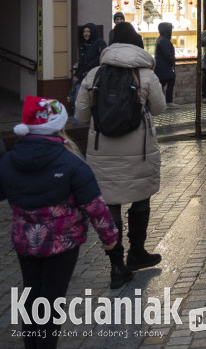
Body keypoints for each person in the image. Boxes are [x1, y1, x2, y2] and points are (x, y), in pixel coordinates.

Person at [0, 97, 119, 348]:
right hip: (61, 246)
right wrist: (110, 238)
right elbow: (95, 206)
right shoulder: (71, 163)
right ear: (59, 126)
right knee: (51, 300)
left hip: (25, 243)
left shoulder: (9, 161)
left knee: (31, 295)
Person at [75, 21, 166, 289]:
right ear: (136, 43)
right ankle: (137, 253)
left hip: (102, 151)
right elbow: (159, 109)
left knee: (110, 205)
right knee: (140, 199)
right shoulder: (146, 75)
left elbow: (80, 116)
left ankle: (116, 265)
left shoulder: (94, 75)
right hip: (139, 152)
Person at [70, 23, 106, 118]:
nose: (86, 34)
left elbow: (102, 57)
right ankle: (77, 121)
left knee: (92, 101)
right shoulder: (83, 45)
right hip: (82, 77)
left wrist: (90, 65)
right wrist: (76, 75)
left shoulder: (99, 42)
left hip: (95, 76)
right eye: (84, 31)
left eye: (88, 31)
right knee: (78, 100)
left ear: (93, 32)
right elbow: (81, 62)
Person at [154, 22, 177, 108]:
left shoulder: (161, 39)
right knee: (169, 81)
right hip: (165, 67)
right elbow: (167, 54)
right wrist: (172, 62)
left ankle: (162, 102)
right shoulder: (164, 40)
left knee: (162, 84)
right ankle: (167, 102)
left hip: (161, 67)